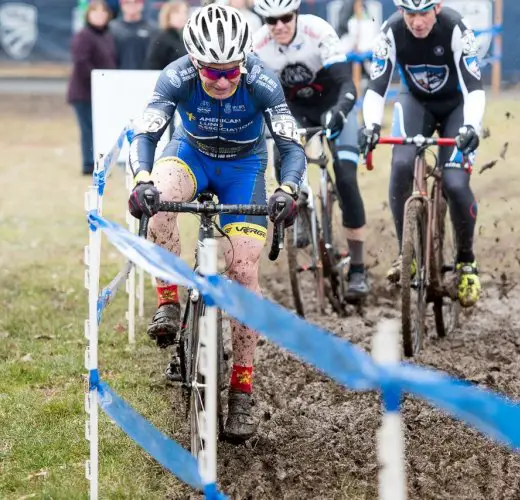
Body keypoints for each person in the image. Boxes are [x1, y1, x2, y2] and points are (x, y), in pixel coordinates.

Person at [127, 4, 306, 441]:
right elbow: (146, 134)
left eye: (231, 71)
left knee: (244, 271)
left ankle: (241, 389)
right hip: (191, 154)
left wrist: (288, 189)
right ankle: (168, 299)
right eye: (212, 72)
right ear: (194, 62)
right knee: (159, 200)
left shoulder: (263, 81)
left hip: (244, 170)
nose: (223, 80)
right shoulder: (176, 76)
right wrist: (141, 179)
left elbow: (291, 145)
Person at [358, 0, 484, 308]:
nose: (416, 21)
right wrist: (371, 126)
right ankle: (408, 255)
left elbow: (474, 88)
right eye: (409, 13)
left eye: (423, 12)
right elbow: (376, 87)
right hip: (416, 103)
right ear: (400, 11)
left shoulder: (458, 29)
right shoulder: (389, 32)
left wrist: (471, 127)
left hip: (456, 107)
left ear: (437, 7)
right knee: (401, 165)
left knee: (455, 183)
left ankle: (466, 264)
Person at [252, 0, 371, 301]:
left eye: (285, 18)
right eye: (271, 20)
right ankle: (302, 211)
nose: (279, 26)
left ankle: (357, 268)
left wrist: (341, 111)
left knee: (345, 178)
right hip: (294, 111)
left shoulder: (318, 31)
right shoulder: (258, 45)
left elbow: (347, 83)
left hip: (333, 106)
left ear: (296, 14)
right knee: (284, 151)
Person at [67, 0, 118, 175]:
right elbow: (81, 63)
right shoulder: (84, 35)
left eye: (103, 12)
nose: (99, 15)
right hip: (84, 93)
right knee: (89, 129)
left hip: (101, 92)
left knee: (100, 129)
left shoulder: (106, 35)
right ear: (88, 15)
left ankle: (100, 162)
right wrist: (99, 81)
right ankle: (89, 164)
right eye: (95, 12)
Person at [110, 0, 157, 69]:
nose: (132, 5)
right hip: (118, 75)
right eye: (127, 2)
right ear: (121, 5)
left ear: (142, 4)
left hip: (146, 75)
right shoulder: (112, 28)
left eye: (136, 2)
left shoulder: (153, 29)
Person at [145, 0, 189, 70]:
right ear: (168, 15)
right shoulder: (161, 39)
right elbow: (153, 66)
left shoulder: (183, 37)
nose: (182, 16)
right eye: (177, 12)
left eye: (184, 12)